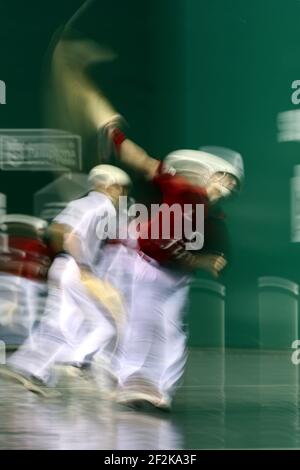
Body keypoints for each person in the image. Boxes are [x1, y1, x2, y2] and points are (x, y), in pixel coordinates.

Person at [101, 124, 244, 409]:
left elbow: (211, 256)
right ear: (211, 175)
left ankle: (157, 387)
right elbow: (143, 161)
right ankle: (128, 380)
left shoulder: (216, 217)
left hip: (176, 276)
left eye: (234, 184)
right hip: (148, 265)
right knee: (143, 323)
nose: (228, 186)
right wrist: (115, 136)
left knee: (172, 332)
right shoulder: (180, 187)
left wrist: (210, 262)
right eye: (225, 178)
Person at [0, 164, 131, 396]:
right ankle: (75, 362)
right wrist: (83, 267)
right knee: (104, 325)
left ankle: (30, 369)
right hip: (77, 270)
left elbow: (56, 231)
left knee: (59, 325)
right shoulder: (105, 208)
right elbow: (71, 236)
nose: (122, 194)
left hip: (63, 267)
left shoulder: (79, 203)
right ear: (111, 186)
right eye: (121, 188)